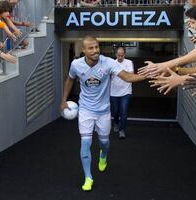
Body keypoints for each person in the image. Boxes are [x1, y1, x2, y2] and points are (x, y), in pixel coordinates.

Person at [60, 36, 145, 191]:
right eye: (91, 48)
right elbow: (70, 79)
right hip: (85, 109)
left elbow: (127, 77)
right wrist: (63, 100)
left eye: (97, 47)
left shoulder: (108, 63)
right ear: (83, 50)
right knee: (85, 142)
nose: (95, 51)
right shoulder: (76, 64)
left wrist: (148, 75)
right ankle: (88, 177)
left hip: (104, 111)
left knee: (104, 142)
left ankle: (103, 155)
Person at [110, 46, 134, 139]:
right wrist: (124, 74)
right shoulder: (112, 63)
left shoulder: (129, 62)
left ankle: (122, 130)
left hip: (126, 92)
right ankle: (116, 123)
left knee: (123, 112)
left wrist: (119, 73)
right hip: (113, 92)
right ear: (116, 54)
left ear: (124, 54)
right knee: (115, 111)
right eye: (118, 55)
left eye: (122, 55)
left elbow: (130, 75)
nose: (120, 57)